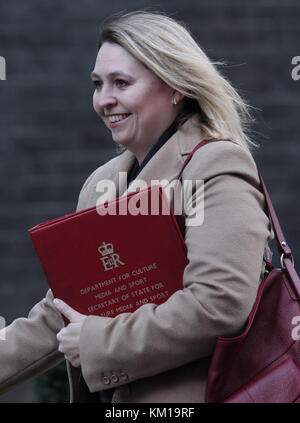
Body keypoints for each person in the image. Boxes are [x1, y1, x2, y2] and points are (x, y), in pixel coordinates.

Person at [0, 11, 273, 403]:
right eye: (98, 84)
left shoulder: (216, 164)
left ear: (175, 86)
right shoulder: (101, 185)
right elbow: (58, 314)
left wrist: (96, 342)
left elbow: (220, 303)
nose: (104, 99)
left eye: (121, 83)